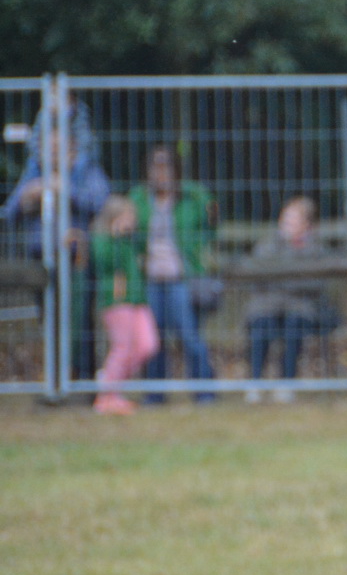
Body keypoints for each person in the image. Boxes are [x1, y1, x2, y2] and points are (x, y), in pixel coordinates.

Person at [1, 99, 110, 381]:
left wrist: (69, 191)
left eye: (58, 149)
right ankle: (56, 380)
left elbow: (102, 202)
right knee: (49, 322)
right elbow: (10, 212)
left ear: (72, 148)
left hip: (77, 259)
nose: (51, 154)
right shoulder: (34, 173)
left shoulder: (87, 172)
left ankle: (82, 383)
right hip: (42, 259)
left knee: (80, 323)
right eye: (47, 149)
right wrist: (28, 197)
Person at [129, 145, 216, 401]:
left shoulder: (192, 197)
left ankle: (204, 393)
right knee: (152, 340)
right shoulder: (138, 199)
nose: (160, 172)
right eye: (155, 166)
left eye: (166, 165)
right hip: (151, 279)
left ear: (176, 170)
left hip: (181, 278)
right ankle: (155, 395)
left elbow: (209, 228)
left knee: (190, 336)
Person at [244, 197, 328, 402]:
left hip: (300, 307)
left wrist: (281, 278)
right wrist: (294, 276)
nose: (286, 224)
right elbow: (258, 273)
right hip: (267, 305)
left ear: (306, 224)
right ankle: (255, 382)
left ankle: (286, 382)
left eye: (292, 220)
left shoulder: (315, 247)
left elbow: (316, 283)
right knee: (262, 323)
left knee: (294, 324)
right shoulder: (269, 242)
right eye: (285, 218)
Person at [89, 195, 158, 415]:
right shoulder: (102, 241)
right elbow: (107, 263)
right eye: (127, 217)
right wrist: (116, 238)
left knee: (148, 345)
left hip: (138, 300)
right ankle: (107, 396)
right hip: (116, 301)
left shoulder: (132, 241)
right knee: (122, 347)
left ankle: (110, 382)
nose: (132, 222)